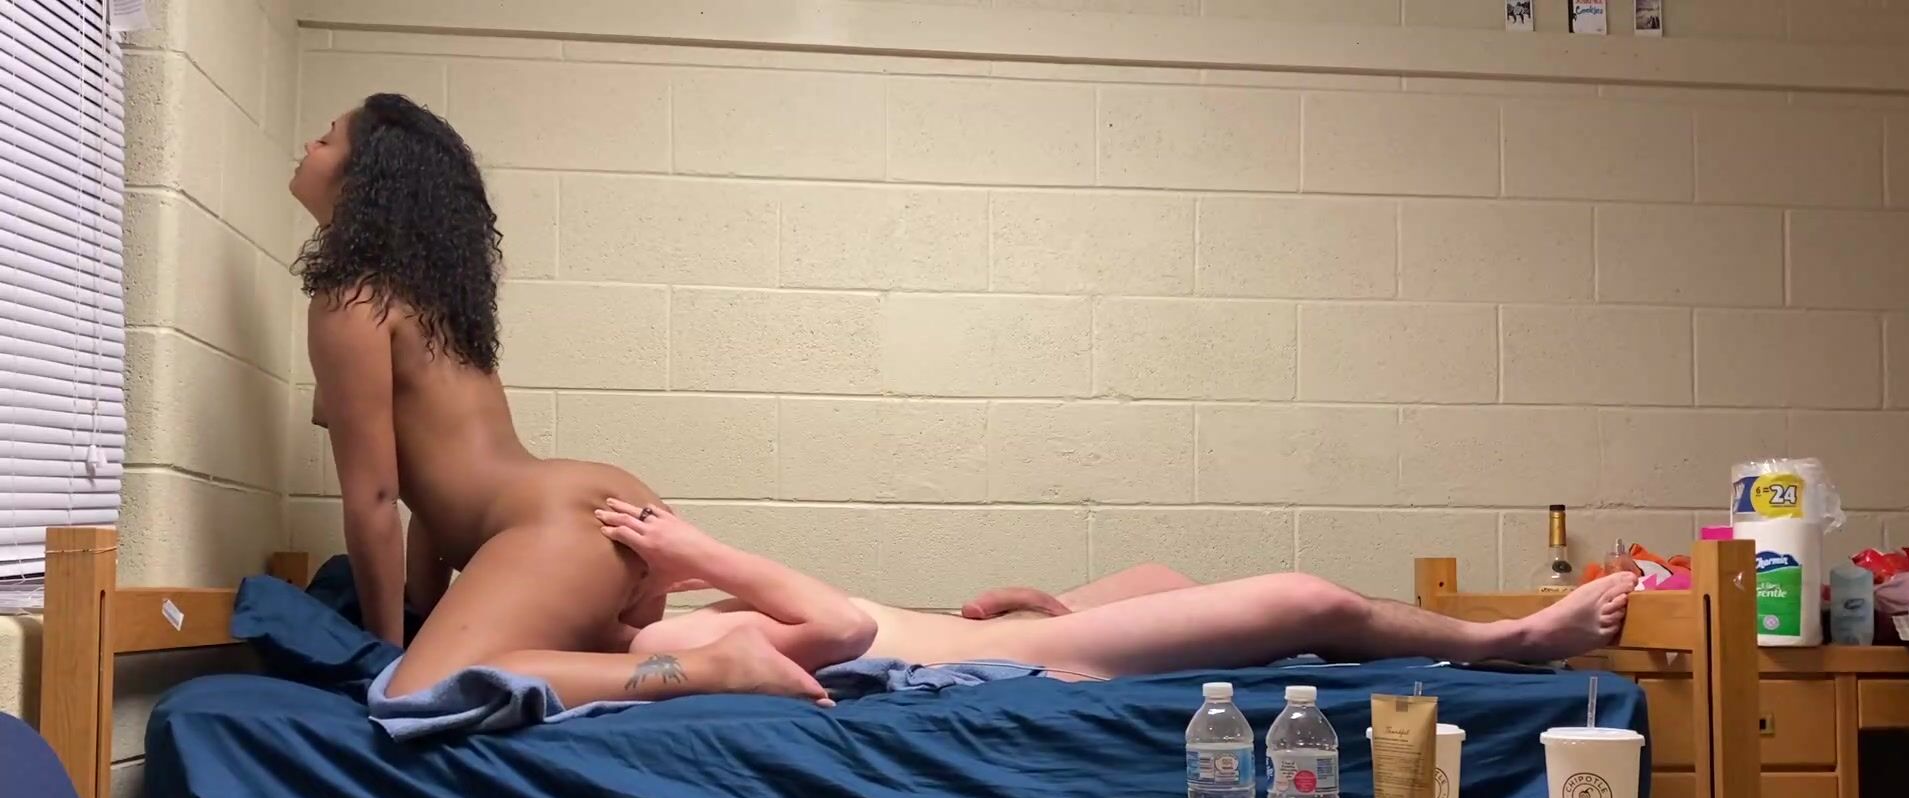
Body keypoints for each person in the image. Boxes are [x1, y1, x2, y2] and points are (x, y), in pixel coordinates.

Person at [292, 93, 837, 707]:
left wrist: (385, 658)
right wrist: (424, 610)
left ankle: (717, 667)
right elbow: (428, 498)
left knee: (418, 692)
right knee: (592, 657)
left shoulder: (352, 302)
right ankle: (714, 648)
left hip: (554, 533)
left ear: (365, 178)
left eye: (327, 138)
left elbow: (374, 498)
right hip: (611, 513)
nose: (310, 145)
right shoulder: (434, 306)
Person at [597, 499, 1640, 684]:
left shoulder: (678, 624)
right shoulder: (645, 652)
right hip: (1024, 666)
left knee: (1160, 583)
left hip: (991, 635)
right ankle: (1505, 643)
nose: (650, 566)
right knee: (1306, 598)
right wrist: (710, 553)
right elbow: (839, 627)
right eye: (635, 561)